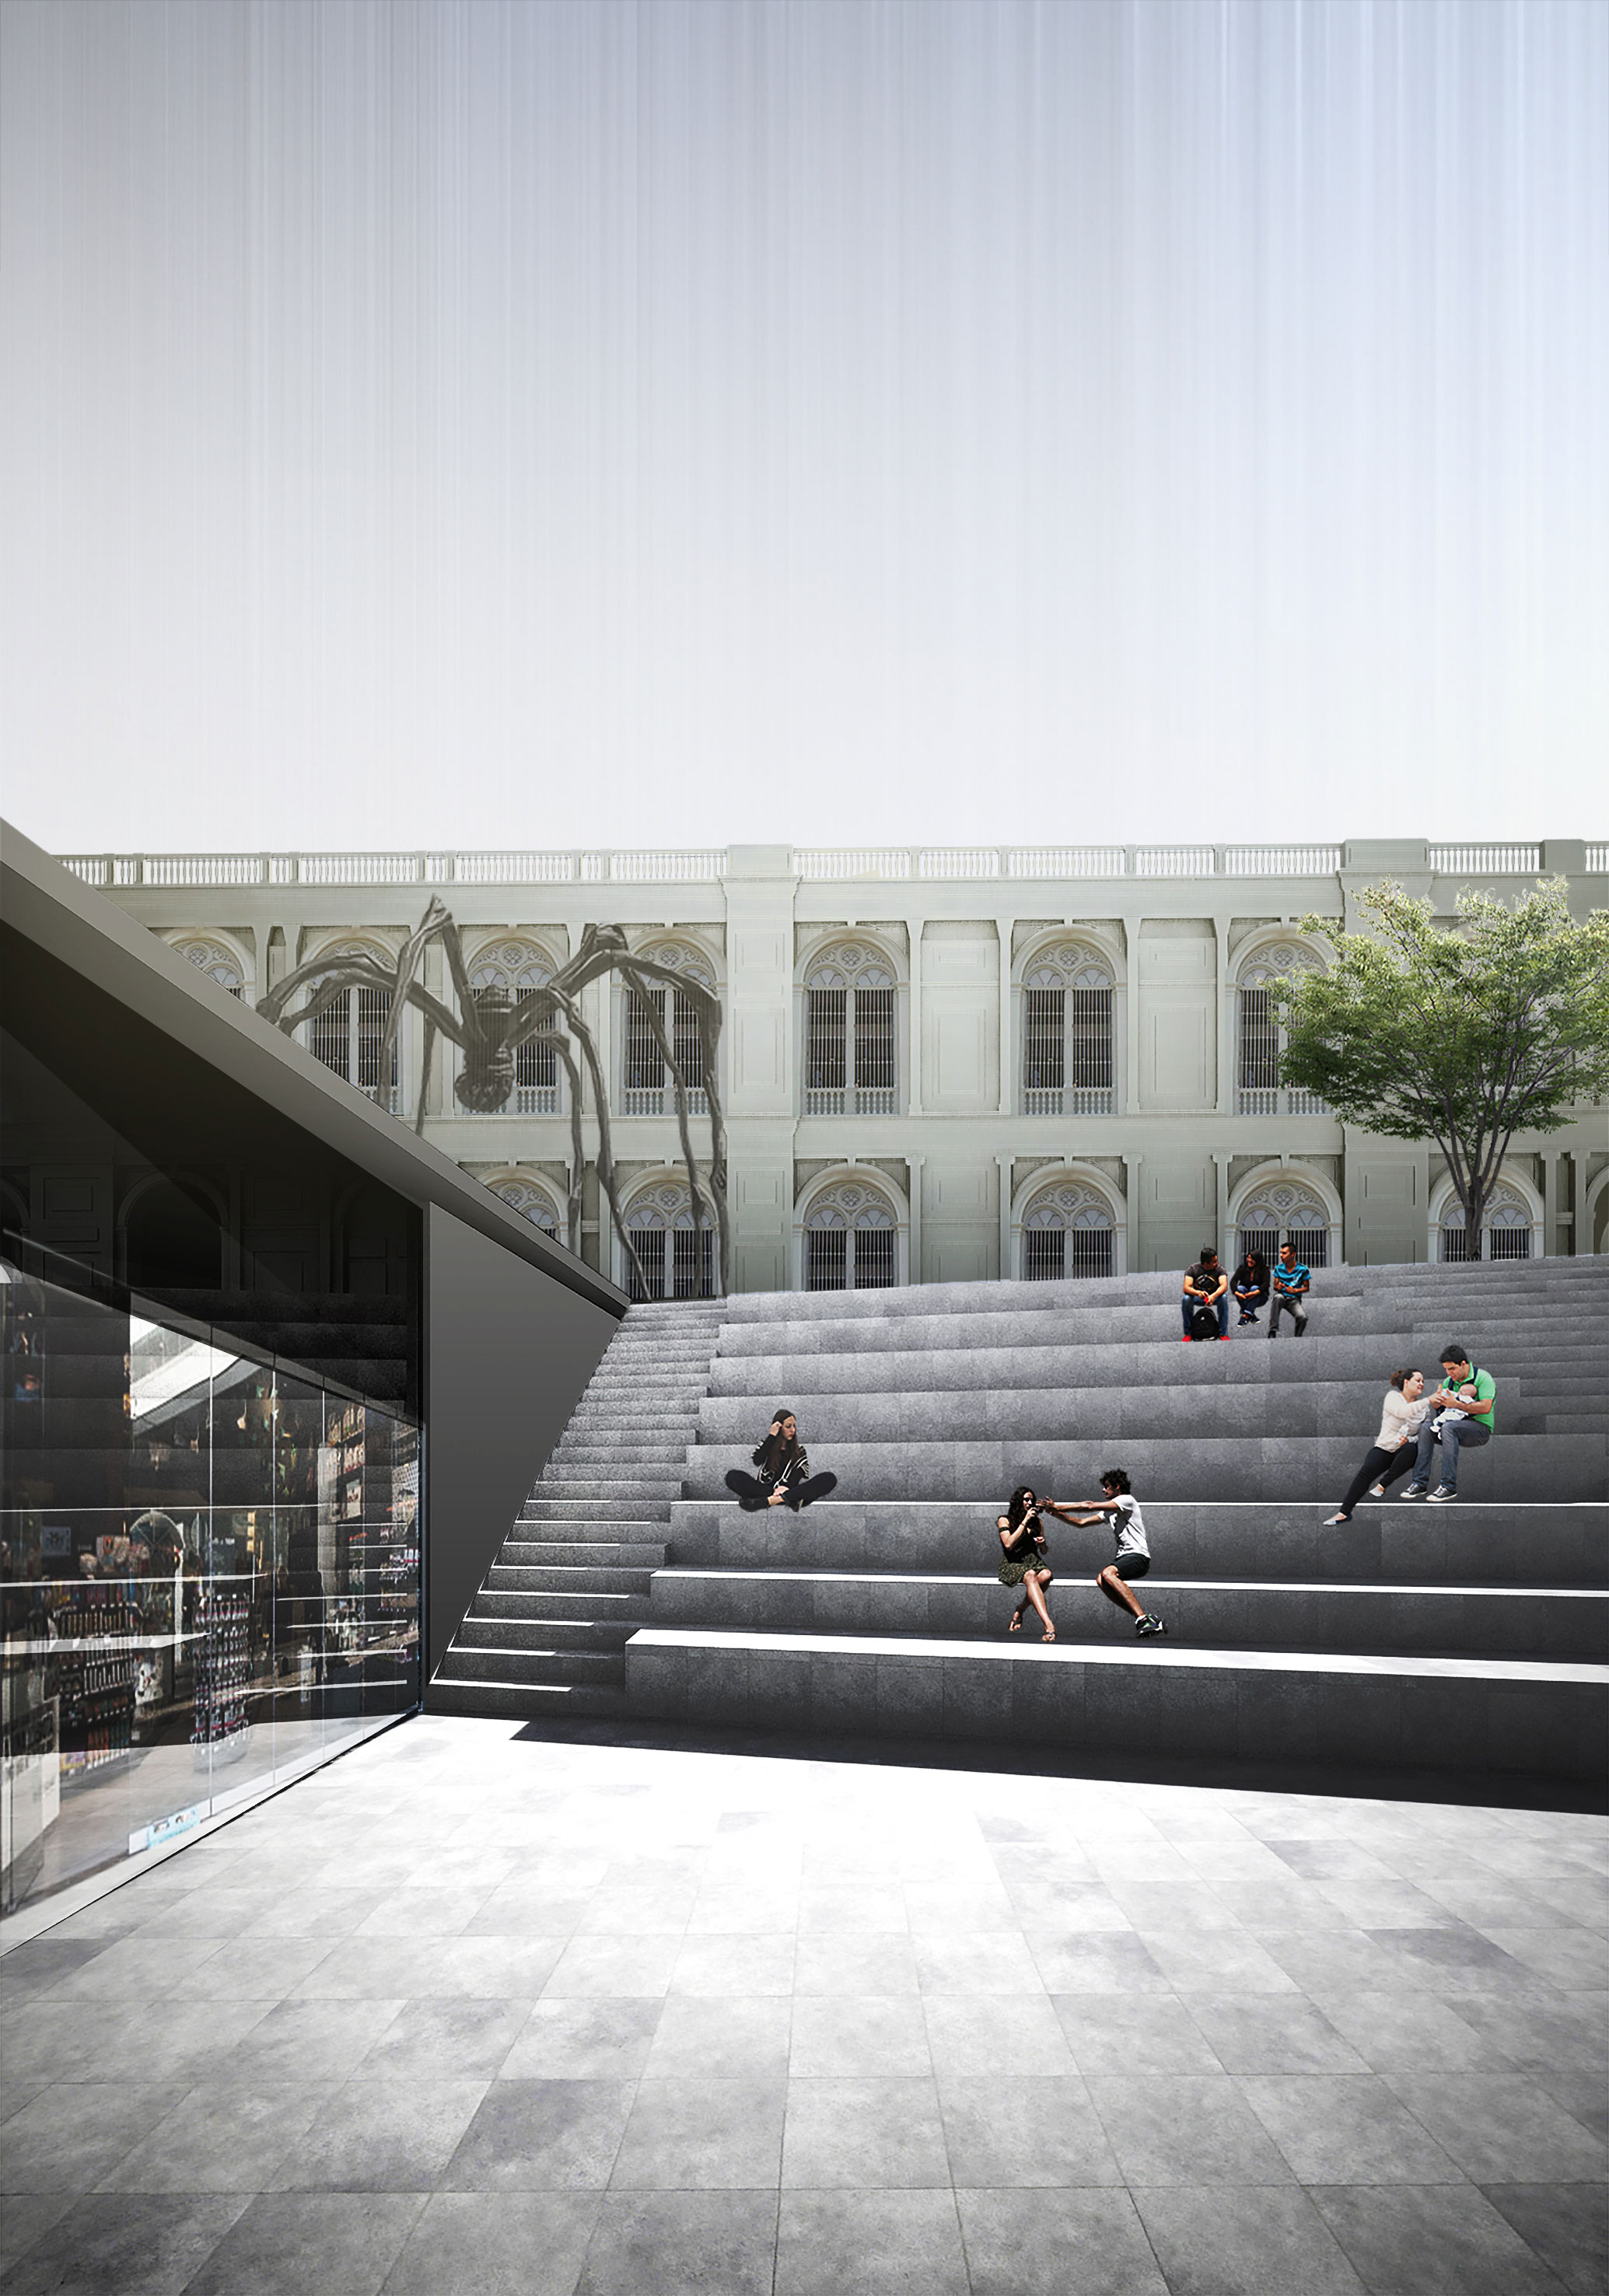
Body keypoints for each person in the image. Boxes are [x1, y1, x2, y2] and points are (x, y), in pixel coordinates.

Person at [1044, 1468, 1167, 1637]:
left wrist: (1058, 1506)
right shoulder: (1110, 1511)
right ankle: (1143, 1619)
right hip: (1125, 1557)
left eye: (1107, 1487)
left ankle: (1143, 1618)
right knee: (1101, 1580)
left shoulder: (1126, 1500)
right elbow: (1081, 1522)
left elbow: (1088, 1506)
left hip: (1138, 1556)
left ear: (1117, 1487)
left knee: (1108, 1574)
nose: (1103, 1490)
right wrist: (1056, 1514)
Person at [1321, 1368, 1429, 1525]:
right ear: (1406, 1382)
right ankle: (1344, 1513)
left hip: (1405, 1448)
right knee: (1366, 1472)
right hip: (1385, 1447)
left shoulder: (1424, 1408)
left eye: (1423, 1381)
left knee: (1412, 1450)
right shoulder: (1393, 1397)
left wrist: (1411, 1438)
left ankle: (1382, 1486)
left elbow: (1424, 1433)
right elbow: (1401, 1412)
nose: (1422, 1384)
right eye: (1418, 1380)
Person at [1399, 1347, 1495, 1503]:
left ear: (1463, 1364)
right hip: (1450, 1426)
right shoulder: (1448, 1382)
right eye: (1446, 1370)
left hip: (1479, 1429)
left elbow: (1486, 1407)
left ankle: (1448, 1486)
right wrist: (1438, 1405)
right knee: (1425, 1428)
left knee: (1449, 1428)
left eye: (1452, 1369)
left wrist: (1457, 1404)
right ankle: (1419, 1482)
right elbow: (1444, 1412)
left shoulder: (1483, 1378)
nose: (1449, 1373)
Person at [724, 1410, 838, 1512]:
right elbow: (757, 1461)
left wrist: (786, 1489)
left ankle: (770, 1501)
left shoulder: (799, 1451)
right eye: (788, 1426)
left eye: (794, 1426)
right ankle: (777, 1499)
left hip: (791, 1492)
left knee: (829, 1478)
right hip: (764, 1491)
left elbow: (796, 1476)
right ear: (779, 1427)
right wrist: (772, 1436)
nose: (792, 1430)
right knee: (732, 1476)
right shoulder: (767, 1445)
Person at [997, 1486, 1056, 1641]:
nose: (1030, 1503)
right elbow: (1009, 1544)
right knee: (1030, 1576)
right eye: (1026, 1499)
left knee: (1046, 1575)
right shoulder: (1004, 1520)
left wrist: (1042, 1543)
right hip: (1014, 1562)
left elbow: (1044, 1551)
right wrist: (1025, 1521)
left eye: (1032, 1500)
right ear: (1018, 1501)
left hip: (1034, 1561)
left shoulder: (1038, 1522)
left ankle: (1020, 1609)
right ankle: (1048, 1625)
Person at [1181, 1247, 1230, 1340]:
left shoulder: (1220, 1269)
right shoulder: (1192, 1269)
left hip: (1214, 1296)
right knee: (1186, 1299)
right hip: (1199, 1297)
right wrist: (1198, 1293)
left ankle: (1223, 1333)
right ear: (1205, 1263)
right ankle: (1188, 1333)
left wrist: (1213, 1296)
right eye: (1214, 1262)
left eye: (1216, 1261)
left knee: (1223, 1298)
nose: (1217, 1264)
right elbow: (1186, 1288)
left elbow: (1224, 1286)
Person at [1267, 1241, 1311, 1337]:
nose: (1281, 1255)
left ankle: (1297, 1337)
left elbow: (1307, 1288)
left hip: (1294, 1300)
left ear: (1293, 1254)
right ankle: (1273, 1330)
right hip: (1282, 1296)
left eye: (1284, 1253)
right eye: (1281, 1253)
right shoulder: (1278, 1269)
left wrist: (1295, 1291)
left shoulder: (1303, 1269)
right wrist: (1279, 1286)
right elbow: (1275, 1286)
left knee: (1303, 1317)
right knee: (1278, 1297)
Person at [1230, 1249, 1271, 1326]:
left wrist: (1255, 1293)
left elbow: (1266, 1284)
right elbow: (1234, 1281)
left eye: (1252, 1259)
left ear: (1258, 1260)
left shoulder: (1265, 1270)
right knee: (1240, 1288)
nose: (1249, 1260)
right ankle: (1251, 1315)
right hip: (1245, 1296)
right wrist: (1236, 1292)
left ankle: (1245, 1316)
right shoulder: (1242, 1268)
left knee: (1254, 1288)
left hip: (1260, 1297)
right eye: (1248, 1258)